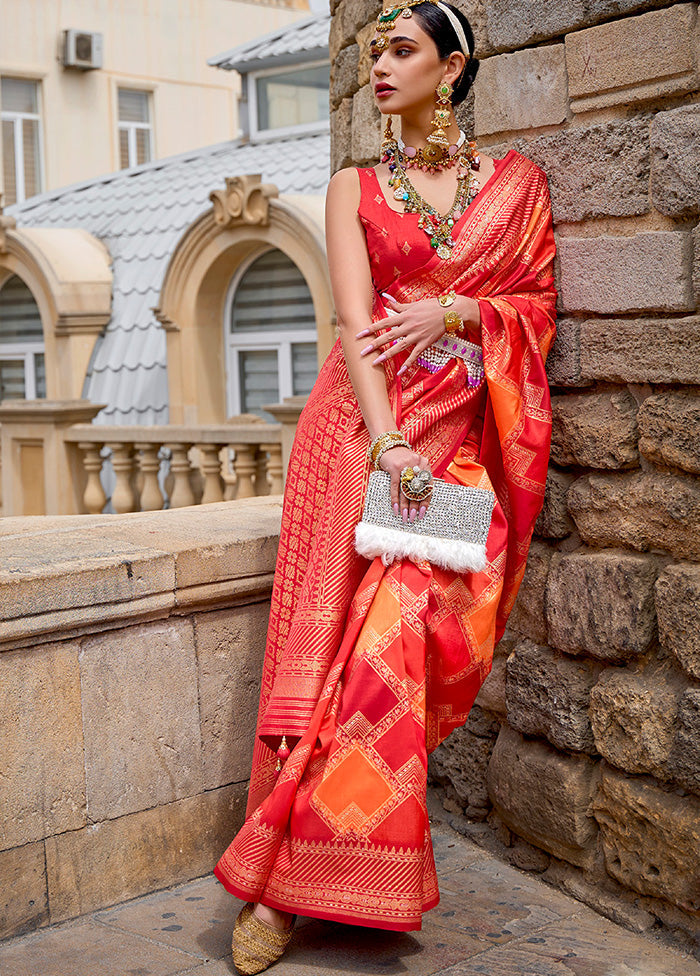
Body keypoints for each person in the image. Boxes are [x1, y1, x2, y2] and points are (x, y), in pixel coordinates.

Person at [215, 2, 557, 972]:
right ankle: (284, 882)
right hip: (364, 436)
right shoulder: (352, 186)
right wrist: (388, 443)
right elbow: (354, 327)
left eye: (400, 50)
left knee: (401, 632)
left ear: (451, 69)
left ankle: (311, 865)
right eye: (372, 51)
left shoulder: (516, 186)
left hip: (466, 440)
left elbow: (533, 306)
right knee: (333, 654)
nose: (378, 67)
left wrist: (455, 308)